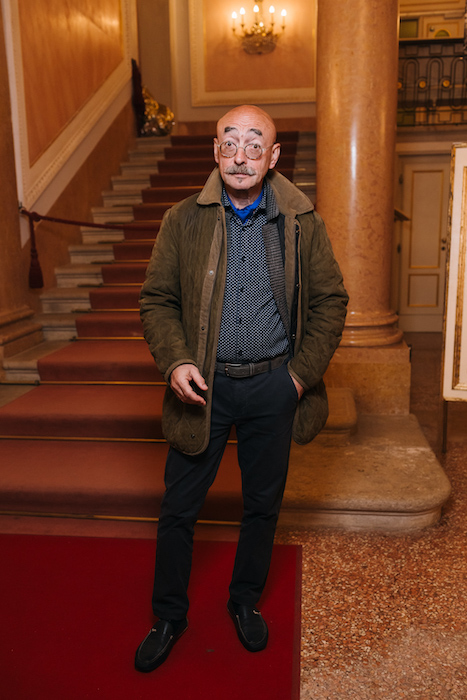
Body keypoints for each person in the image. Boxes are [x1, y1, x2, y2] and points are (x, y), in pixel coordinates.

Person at [135, 104, 348, 672]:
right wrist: (176, 361)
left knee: (262, 506)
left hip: (274, 387)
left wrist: (298, 377)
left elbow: (331, 302)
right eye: (229, 142)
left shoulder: (301, 221)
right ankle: (169, 615)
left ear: (273, 157)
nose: (240, 155)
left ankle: (244, 601)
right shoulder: (183, 219)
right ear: (215, 151)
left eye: (255, 144)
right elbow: (157, 299)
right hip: (203, 387)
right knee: (179, 508)